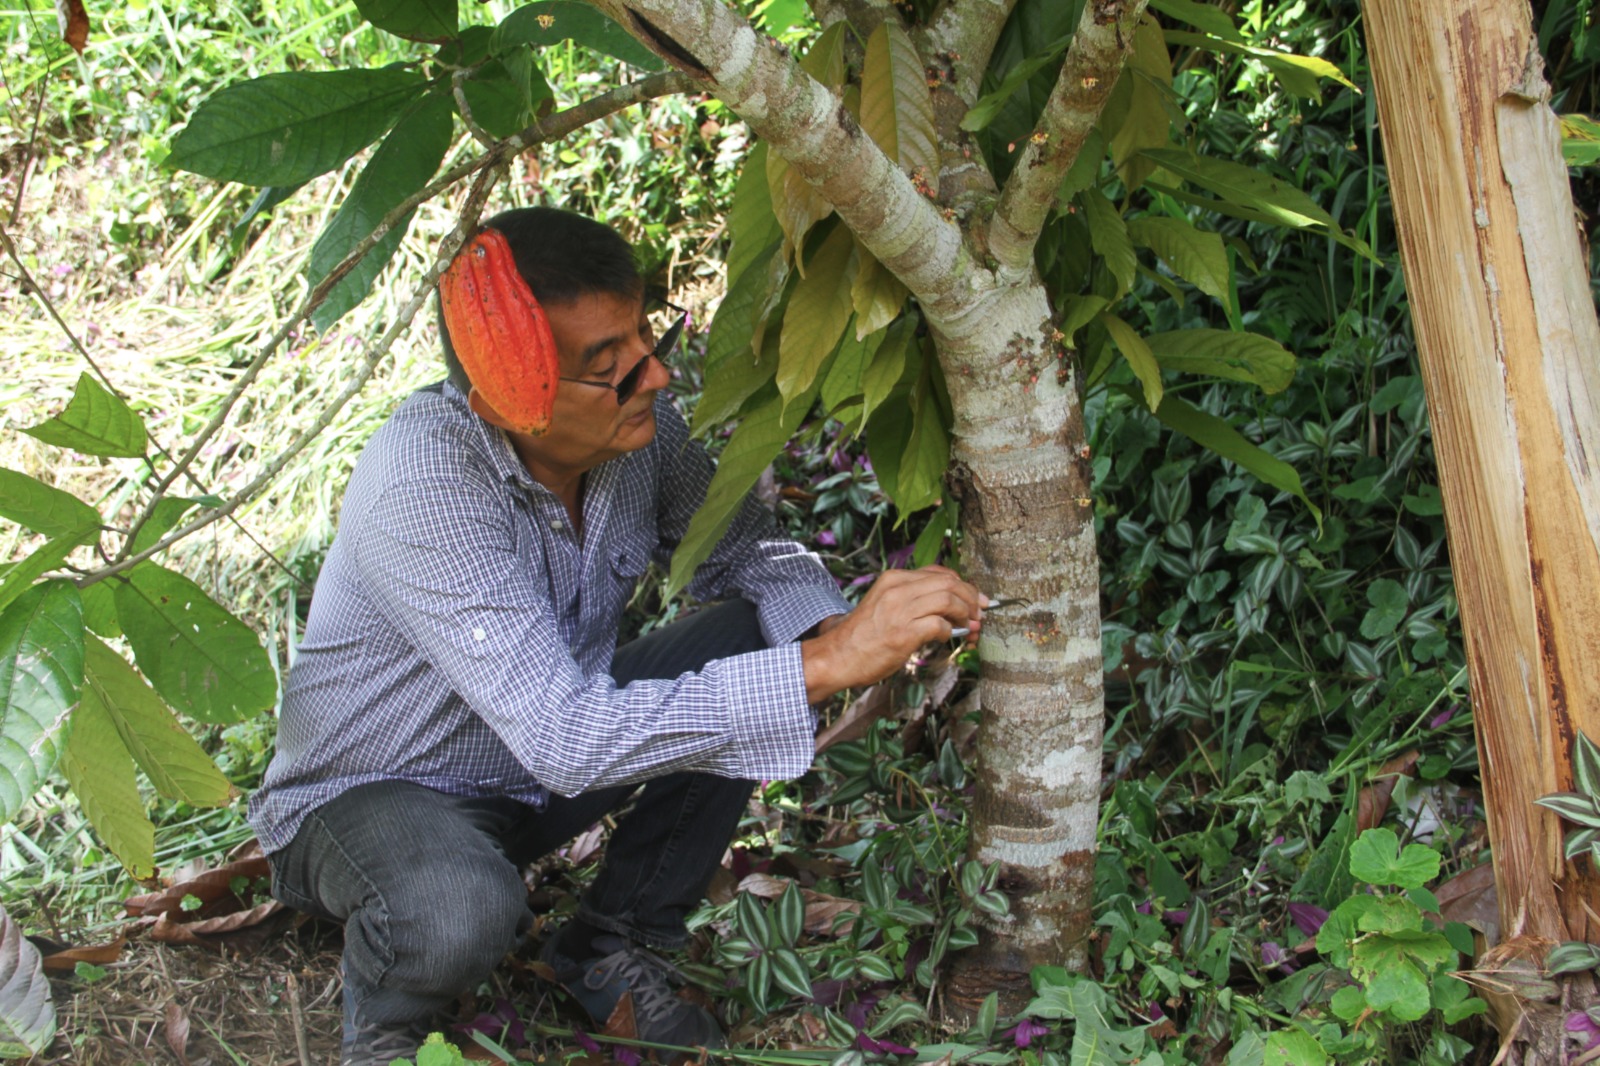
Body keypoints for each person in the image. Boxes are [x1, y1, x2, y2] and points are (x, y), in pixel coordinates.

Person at [248, 206, 983, 1066]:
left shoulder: (637, 434)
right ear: (509, 399)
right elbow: (565, 739)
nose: (658, 378)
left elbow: (748, 547)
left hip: (522, 773)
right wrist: (827, 665)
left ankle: (610, 944)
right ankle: (386, 1024)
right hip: (368, 796)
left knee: (755, 636)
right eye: (612, 370)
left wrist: (826, 626)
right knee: (458, 910)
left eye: (644, 339)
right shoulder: (426, 486)